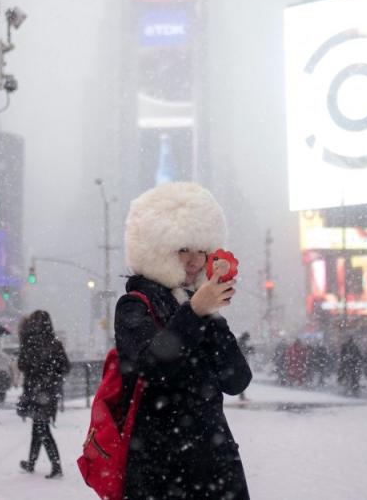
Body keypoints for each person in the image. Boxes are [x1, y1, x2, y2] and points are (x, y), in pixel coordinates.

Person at [115, 181, 252, 500]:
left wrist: (211, 316)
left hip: (216, 471)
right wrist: (194, 312)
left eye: (201, 250)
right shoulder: (135, 304)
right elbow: (153, 368)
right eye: (183, 249)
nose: (193, 261)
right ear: (158, 249)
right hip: (160, 474)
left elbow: (237, 379)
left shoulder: (198, 302)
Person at [17, 310, 70, 479]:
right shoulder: (55, 344)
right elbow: (65, 367)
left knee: (42, 429)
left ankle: (56, 466)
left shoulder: (29, 342)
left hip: (34, 391)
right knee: (38, 428)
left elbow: (22, 365)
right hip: (49, 392)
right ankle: (32, 463)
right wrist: (51, 375)